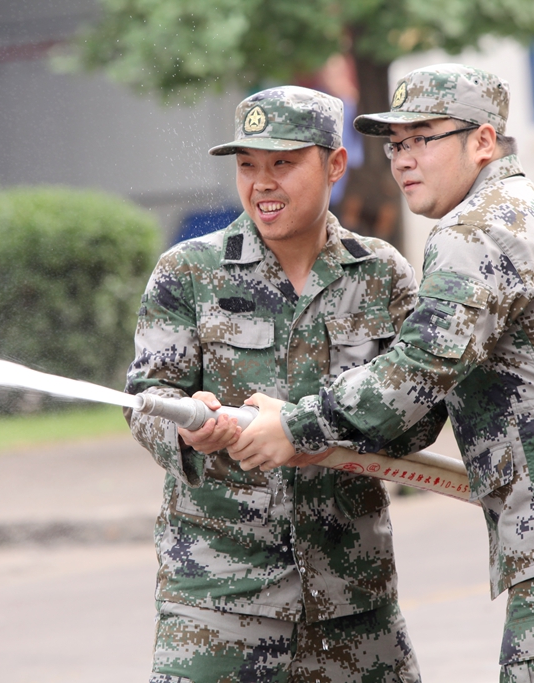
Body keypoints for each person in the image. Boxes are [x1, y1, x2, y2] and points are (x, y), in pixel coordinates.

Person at [229, 64, 534, 683]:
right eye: (396, 144)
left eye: (423, 138)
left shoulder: (474, 233)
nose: (403, 159)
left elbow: (415, 375)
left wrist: (295, 425)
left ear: (483, 141)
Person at [125, 85, 440, 683]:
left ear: (335, 164)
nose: (262, 183)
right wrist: (187, 426)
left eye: (283, 163)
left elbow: (420, 416)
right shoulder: (188, 272)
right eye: (247, 166)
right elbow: (145, 400)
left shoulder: (382, 275)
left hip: (353, 601)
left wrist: (324, 429)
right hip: (219, 599)